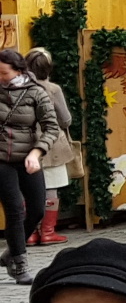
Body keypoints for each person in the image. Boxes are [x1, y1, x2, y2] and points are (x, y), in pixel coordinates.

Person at [0, 48, 60, 285]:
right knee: (15, 209)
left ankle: (11, 251)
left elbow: (52, 127)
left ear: (19, 71)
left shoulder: (36, 92)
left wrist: (37, 152)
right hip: (1, 159)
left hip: (28, 156)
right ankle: (19, 265)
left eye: (4, 73)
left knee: (37, 209)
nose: (1, 77)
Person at [24, 49, 72, 246]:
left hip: (24, 144)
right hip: (51, 144)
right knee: (51, 187)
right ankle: (48, 232)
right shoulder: (53, 89)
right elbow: (66, 119)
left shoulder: (17, 88)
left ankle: (29, 233)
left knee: (26, 188)